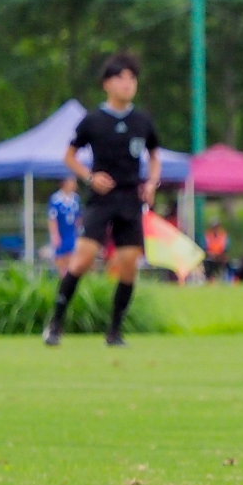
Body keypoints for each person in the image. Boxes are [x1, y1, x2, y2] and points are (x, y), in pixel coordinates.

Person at [43, 52, 160, 347]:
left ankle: (114, 331)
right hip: (101, 199)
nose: (127, 84)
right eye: (121, 78)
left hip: (130, 199)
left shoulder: (142, 120)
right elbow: (69, 156)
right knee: (81, 260)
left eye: (132, 78)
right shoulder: (92, 121)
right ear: (106, 84)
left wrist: (152, 183)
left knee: (129, 263)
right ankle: (55, 323)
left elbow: (154, 155)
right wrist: (89, 176)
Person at [47, 176, 82, 275]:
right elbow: (52, 219)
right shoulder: (55, 199)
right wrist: (54, 235)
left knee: (72, 259)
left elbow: (79, 217)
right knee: (60, 259)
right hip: (61, 233)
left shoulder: (75, 199)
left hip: (72, 233)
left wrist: (79, 232)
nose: (75, 184)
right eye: (72, 181)